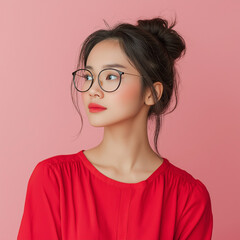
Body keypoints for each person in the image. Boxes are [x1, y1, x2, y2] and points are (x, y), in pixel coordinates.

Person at [17, 17, 213, 240]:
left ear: (152, 92)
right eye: (89, 76)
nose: (92, 90)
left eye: (110, 76)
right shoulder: (53, 179)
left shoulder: (188, 196)